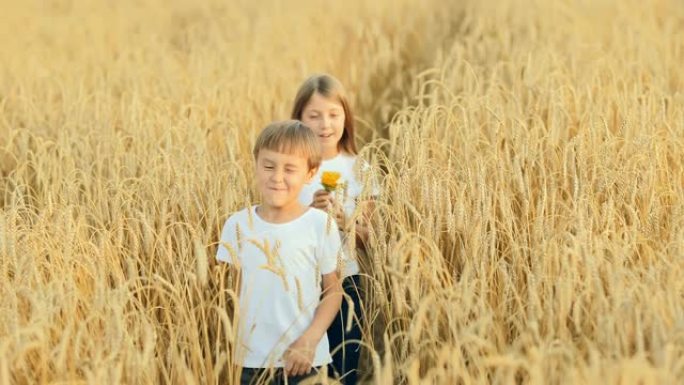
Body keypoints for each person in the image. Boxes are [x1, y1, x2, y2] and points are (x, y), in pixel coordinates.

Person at [216, 120, 343, 385]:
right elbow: (228, 293)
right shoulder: (237, 225)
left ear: (310, 173)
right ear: (256, 164)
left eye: (290, 169)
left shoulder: (320, 224)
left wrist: (310, 340)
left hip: (306, 361)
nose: (276, 177)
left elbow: (333, 292)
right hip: (251, 362)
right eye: (269, 166)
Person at [292, 74, 378, 385]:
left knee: (343, 370)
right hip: (297, 284)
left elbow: (371, 239)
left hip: (346, 282)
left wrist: (344, 220)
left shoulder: (359, 169)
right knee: (302, 369)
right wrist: (307, 215)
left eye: (333, 115)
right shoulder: (292, 168)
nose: (324, 124)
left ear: (346, 117)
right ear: (299, 119)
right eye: (313, 116)